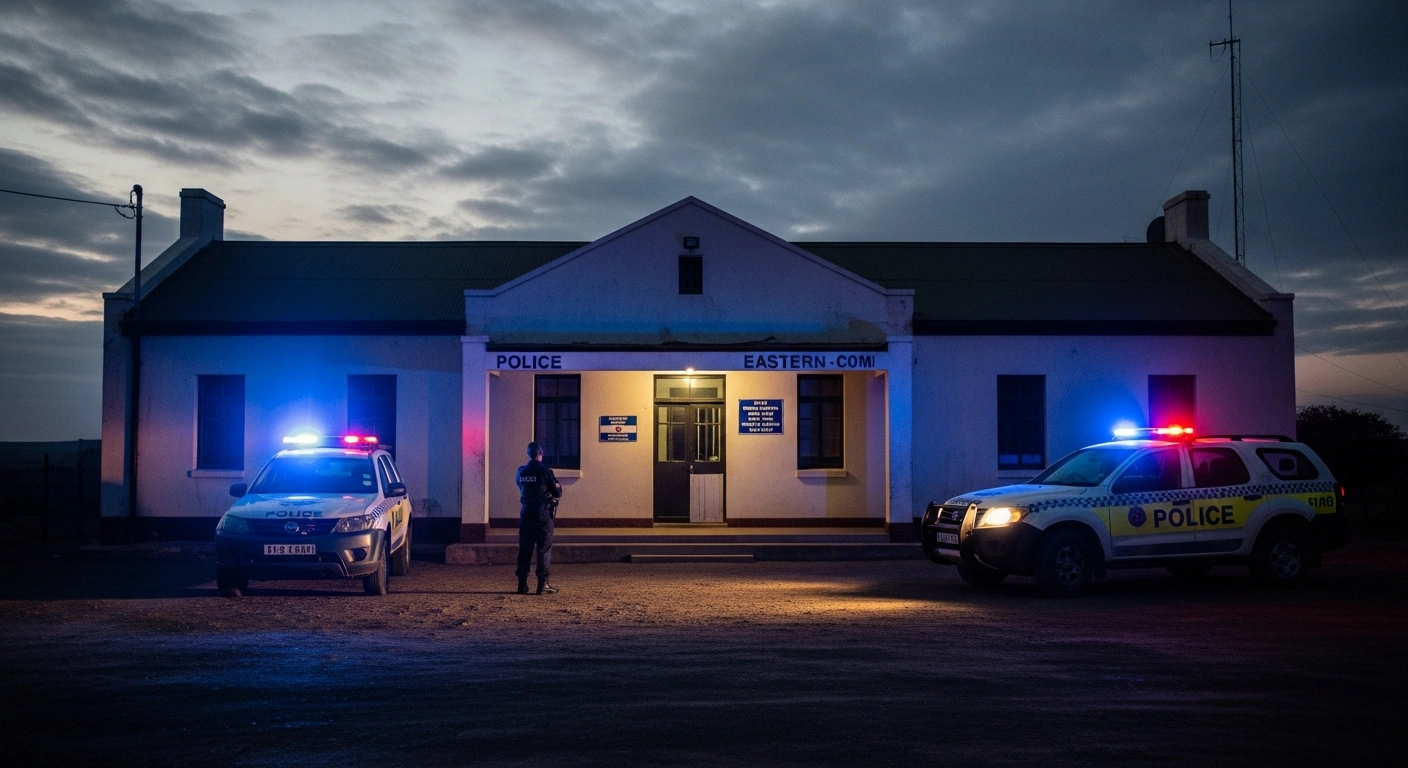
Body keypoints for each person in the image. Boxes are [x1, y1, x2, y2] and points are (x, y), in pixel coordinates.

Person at [515, 441, 562, 595]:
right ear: (541, 453)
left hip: (526, 512)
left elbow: (520, 486)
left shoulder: (521, 471)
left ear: (528, 454)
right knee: (544, 548)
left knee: (525, 548)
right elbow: (557, 492)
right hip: (542, 514)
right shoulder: (545, 471)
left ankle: (522, 584)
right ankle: (543, 583)